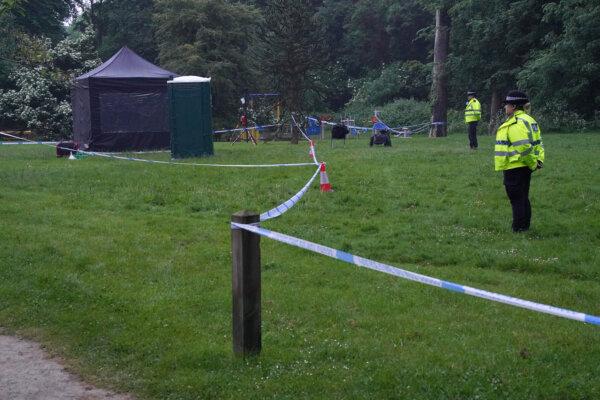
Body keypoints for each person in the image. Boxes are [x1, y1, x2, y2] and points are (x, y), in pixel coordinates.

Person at [494, 90, 545, 232]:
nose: (505, 107)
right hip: (525, 167)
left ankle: (518, 228)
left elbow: (523, 147)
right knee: (523, 197)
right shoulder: (530, 120)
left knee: (516, 199)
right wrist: (537, 161)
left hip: (514, 167)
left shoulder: (516, 123)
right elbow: (539, 144)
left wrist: (532, 163)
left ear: (514, 106)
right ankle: (525, 227)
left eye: (507, 104)